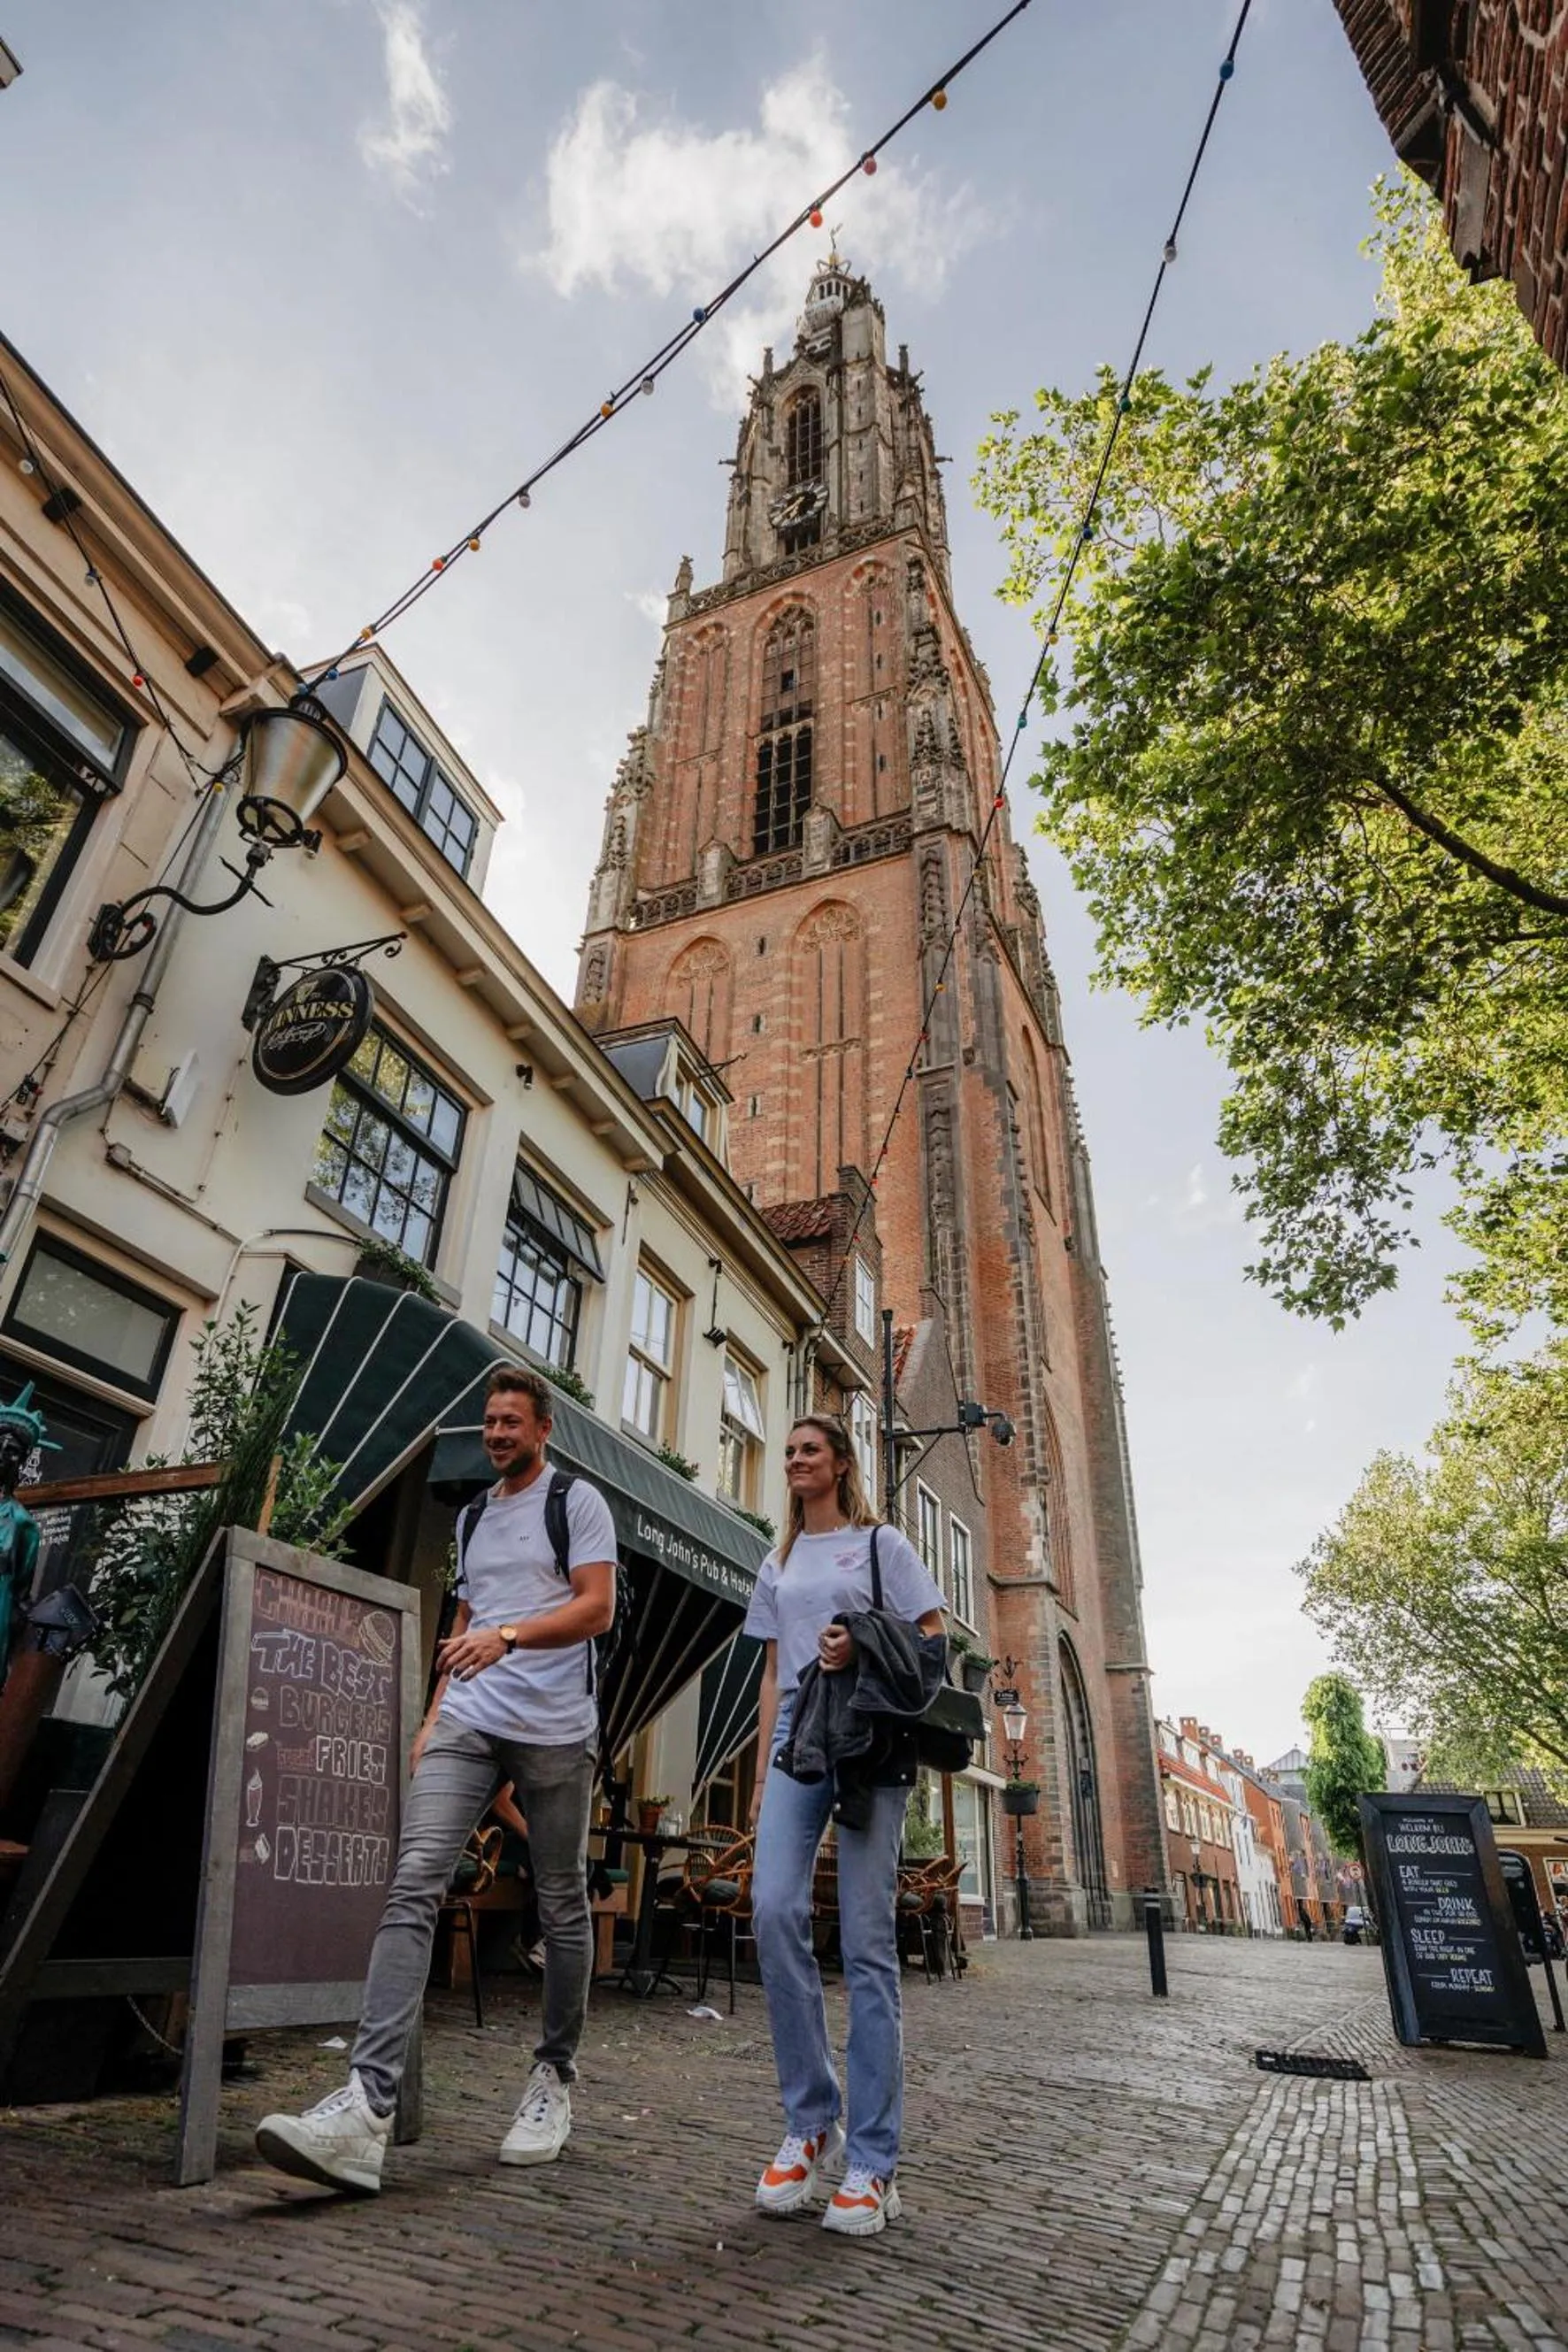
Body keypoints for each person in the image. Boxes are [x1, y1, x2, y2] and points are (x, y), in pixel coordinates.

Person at [255, 1364, 617, 2194]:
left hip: (559, 1733)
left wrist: (511, 1638)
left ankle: (553, 2079)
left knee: (560, 1898)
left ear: (542, 1430)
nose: (497, 1434)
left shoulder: (577, 1503)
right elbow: (462, 1618)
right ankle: (366, 2109)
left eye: (511, 1423)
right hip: (471, 1720)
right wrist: (431, 1716)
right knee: (414, 1879)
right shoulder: (470, 1520)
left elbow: (596, 1609)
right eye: (489, 1421)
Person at [743, 1413, 945, 2240]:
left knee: (866, 1945)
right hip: (798, 1736)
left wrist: (859, 1645)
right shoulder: (779, 1558)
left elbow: (931, 1640)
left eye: (808, 1450)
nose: (794, 1460)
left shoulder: (880, 1546)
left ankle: (874, 2160)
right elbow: (769, 1674)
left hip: (867, 1739)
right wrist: (762, 1775)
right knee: (772, 1909)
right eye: (788, 1451)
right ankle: (811, 2118)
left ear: (840, 1464)